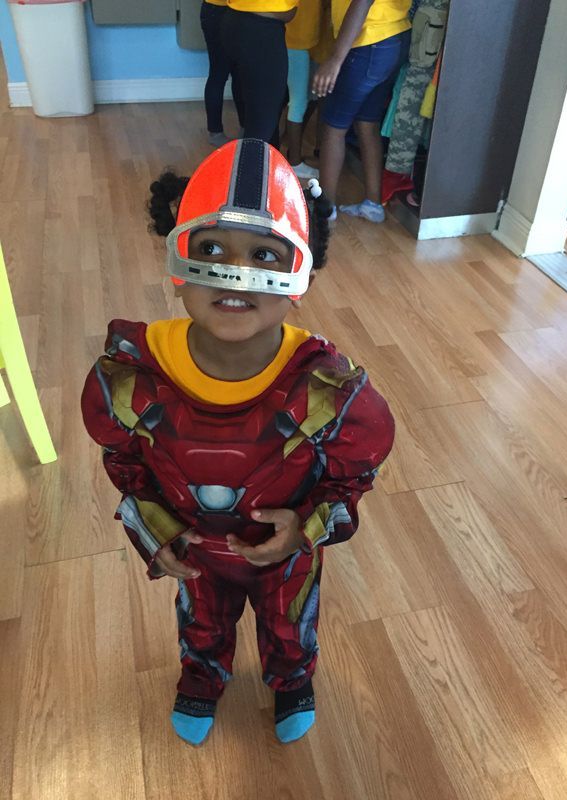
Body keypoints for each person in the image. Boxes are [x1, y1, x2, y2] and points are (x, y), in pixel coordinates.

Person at [81, 139, 395, 747]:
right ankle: (201, 678)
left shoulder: (332, 390)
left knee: (291, 624)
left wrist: (306, 526)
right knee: (199, 620)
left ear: (299, 271)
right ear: (178, 258)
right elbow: (122, 459)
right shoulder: (129, 377)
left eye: (264, 255)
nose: (236, 273)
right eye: (212, 249)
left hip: (287, 551)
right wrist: (152, 531)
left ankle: (291, 682)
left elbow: (355, 473)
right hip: (195, 543)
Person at [313, 0, 412, 222]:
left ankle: (324, 209)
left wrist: (335, 60)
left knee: (333, 127)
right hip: (394, 35)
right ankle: (373, 204)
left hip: (369, 40)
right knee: (367, 123)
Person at [221, 0, 297, 145]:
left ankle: (264, 165)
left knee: (264, 117)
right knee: (261, 126)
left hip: (242, 22)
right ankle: (250, 165)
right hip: (260, 29)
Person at [285, 0, 321, 179]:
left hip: (307, 38)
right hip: (295, 40)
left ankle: (290, 148)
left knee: (306, 98)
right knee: (298, 101)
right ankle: (294, 162)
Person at [200, 0, 243, 147]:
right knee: (220, 73)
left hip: (229, 11)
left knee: (238, 74)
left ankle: (244, 128)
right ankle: (216, 132)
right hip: (221, 11)